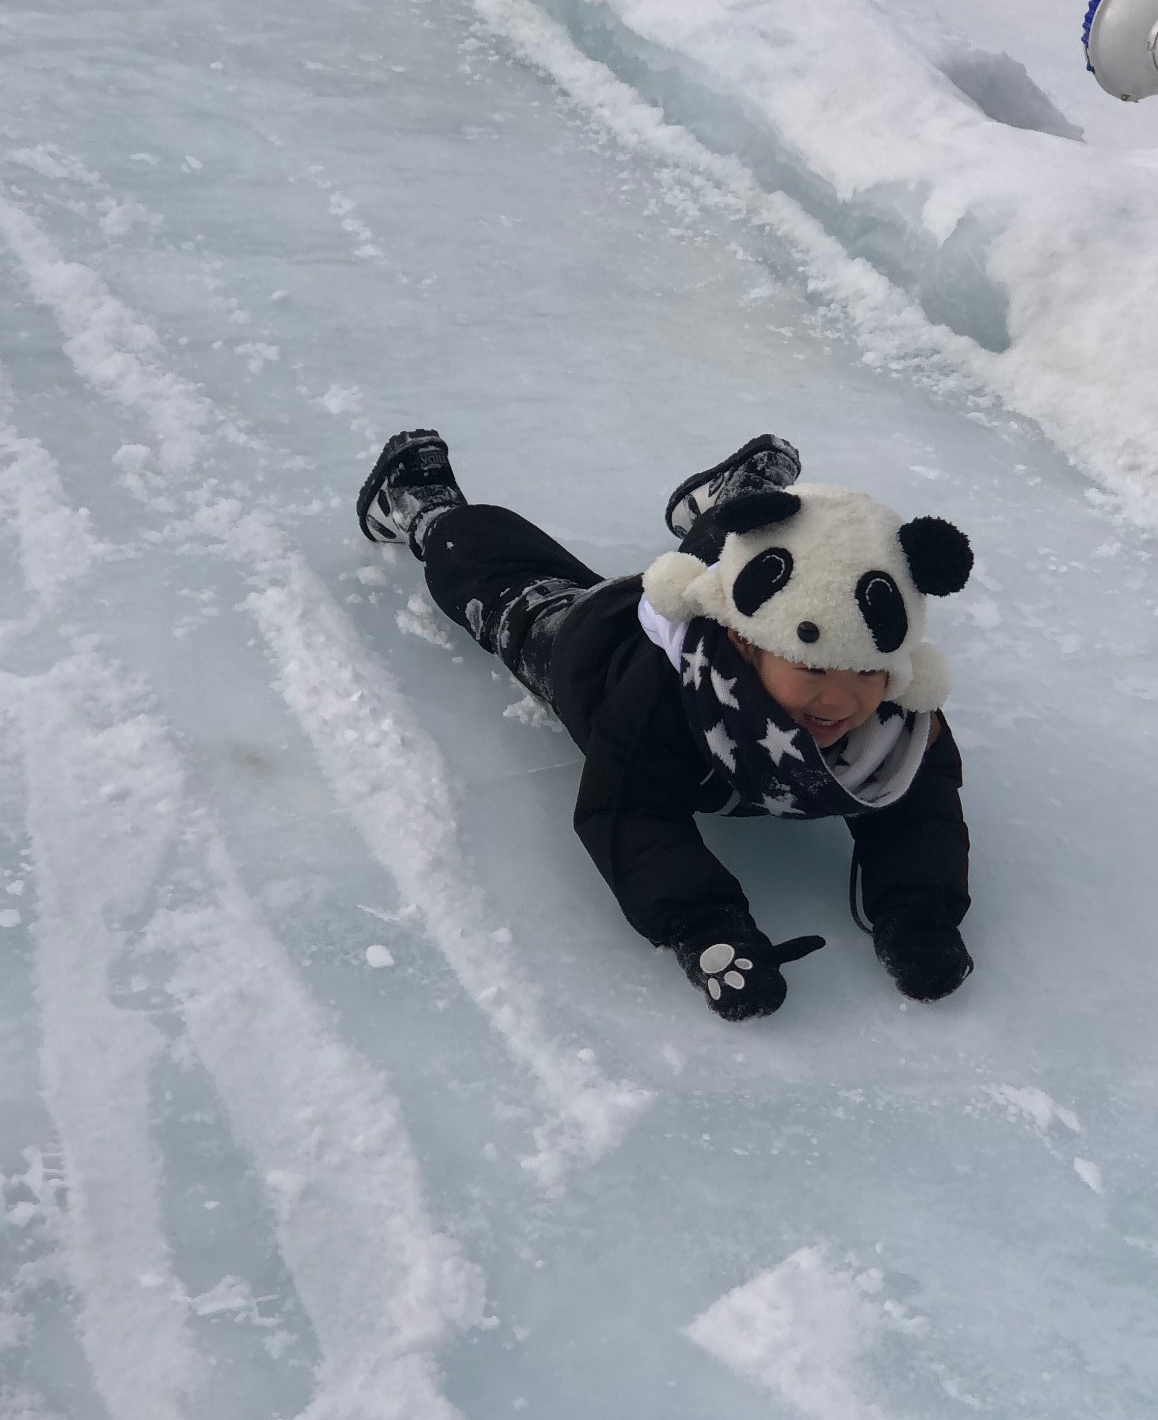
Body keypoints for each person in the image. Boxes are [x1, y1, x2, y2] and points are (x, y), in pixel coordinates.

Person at [357, 428, 974, 1022]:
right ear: (744, 638)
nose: (840, 698)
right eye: (812, 666)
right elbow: (628, 813)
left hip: (743, 598)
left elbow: (922, 808)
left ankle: (735, 507)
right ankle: (426, 506)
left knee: (725, 563)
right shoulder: (657, 698)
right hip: (598, 648)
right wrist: (708, 928)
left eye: (866, 672)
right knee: (509, 591)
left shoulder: (897, 713)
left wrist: (920, 912)